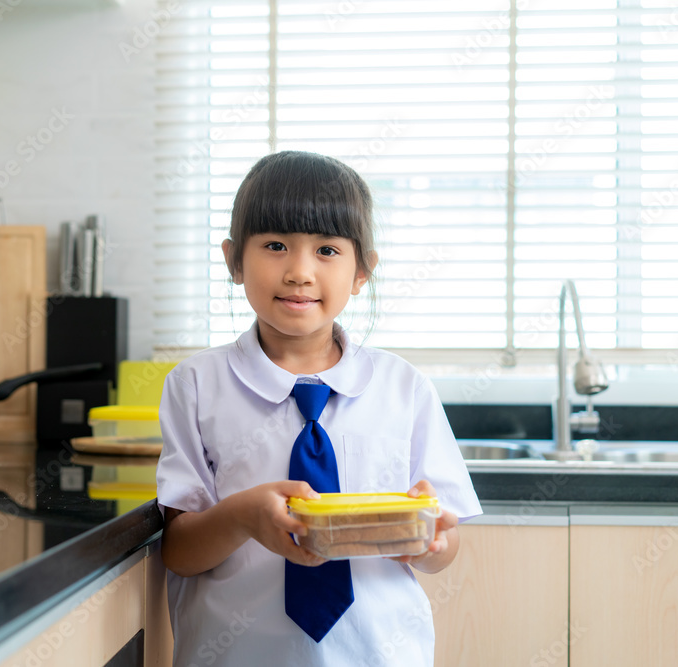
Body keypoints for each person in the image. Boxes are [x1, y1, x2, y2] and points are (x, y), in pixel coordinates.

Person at [155, 151, 481, 666]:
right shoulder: (195, 386)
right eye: (276, 245)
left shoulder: (405, 388)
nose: (300, 272)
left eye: (327, 249)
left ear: (362, 271)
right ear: (234, 260)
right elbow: (179, 551)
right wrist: (242, 516)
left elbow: (446, 539)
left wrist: (430, 544)